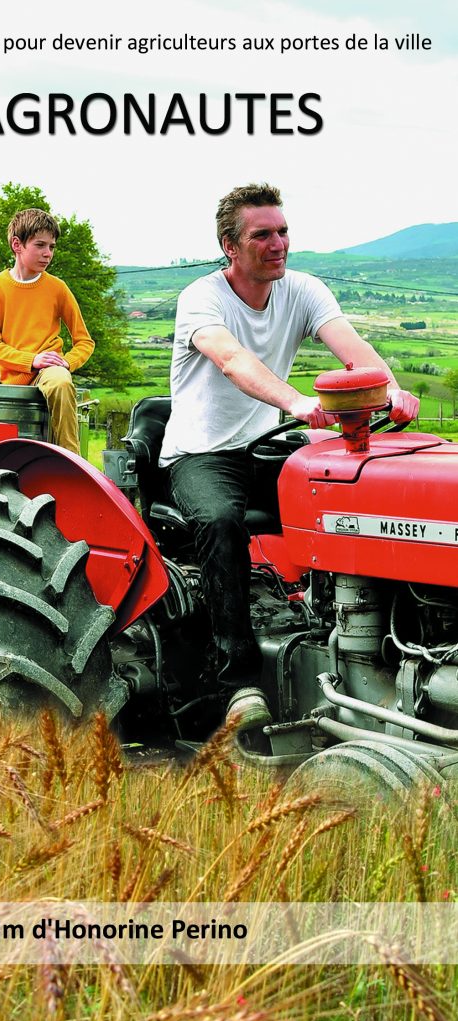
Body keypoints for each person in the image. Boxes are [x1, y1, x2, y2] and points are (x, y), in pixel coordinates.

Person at [159, 182, 419, 705]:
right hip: (202, 453)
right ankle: (235, 679)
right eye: (262, 235)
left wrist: (388, 388)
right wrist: (297, 401)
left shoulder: (302, 289)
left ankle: (360, 635)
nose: (278, 244)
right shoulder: (202, 298)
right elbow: (233, 361)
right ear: (230, 247)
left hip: (265, 446)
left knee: (352, 492)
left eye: (283, 232)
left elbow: (353, 348)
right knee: (219, 521)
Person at [0, 208, 94, 454]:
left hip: (51, 372)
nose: (47, 253)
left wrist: (65, 363)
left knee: (61, 381)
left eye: (52, 246)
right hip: (12, 380)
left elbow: (84, 341)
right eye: (40, 245)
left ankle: (72, 461)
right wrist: (32, 360)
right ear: (17, 245)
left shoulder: (57, 288)